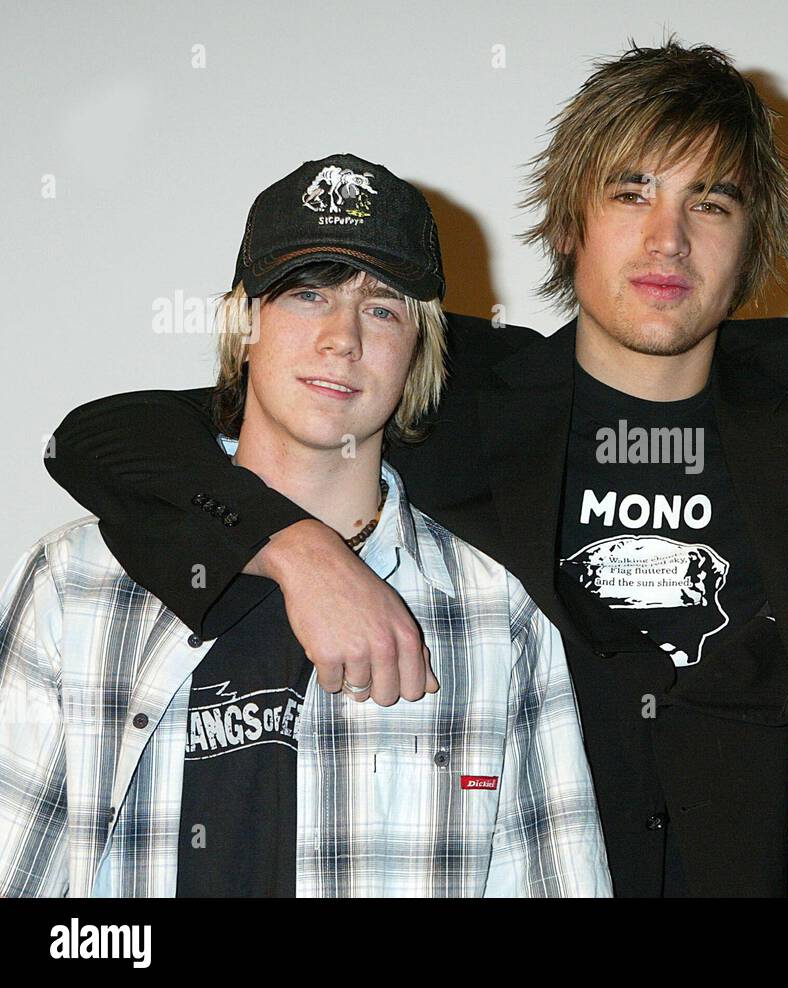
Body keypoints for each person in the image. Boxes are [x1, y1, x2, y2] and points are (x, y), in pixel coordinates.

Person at [43, 43, 788, 897]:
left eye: (709, 202)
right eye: (631, 194)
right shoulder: (467, 396)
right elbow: (109, 436)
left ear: (751, 237)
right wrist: (291, 548)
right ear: (571, 226)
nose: (667, 241)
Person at [0, 154, 611, 897]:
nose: (342, 338)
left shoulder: (494, 612)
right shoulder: (78, 584)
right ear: (244, 323)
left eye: (382, 307)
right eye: (308, 295)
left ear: (420, 351)